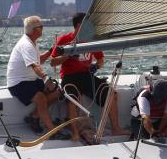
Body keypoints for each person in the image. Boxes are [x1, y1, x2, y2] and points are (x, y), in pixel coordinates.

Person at [50, 12, 128, 141]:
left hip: (87, 76)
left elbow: (100, 60)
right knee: (73, 100)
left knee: (111, 95)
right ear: (79, 25)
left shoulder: (90, 40)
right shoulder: (64, 39)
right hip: (70, 77)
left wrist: (96, 67)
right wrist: (68, 55)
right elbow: (53, 62)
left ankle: (116, 128)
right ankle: (75, 133)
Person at [6, 15, 61, 133]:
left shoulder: (32, 42)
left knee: (57, 92)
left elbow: (38, 60)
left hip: (31, 80)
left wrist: (51, 51)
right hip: (18, 83)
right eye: (41, 27)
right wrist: (46, 78)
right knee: (41, 97)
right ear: (35, 30)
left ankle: (34, 117)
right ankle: (52, 132)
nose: (42, 29)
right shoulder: (26, 44)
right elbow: (34, 66)